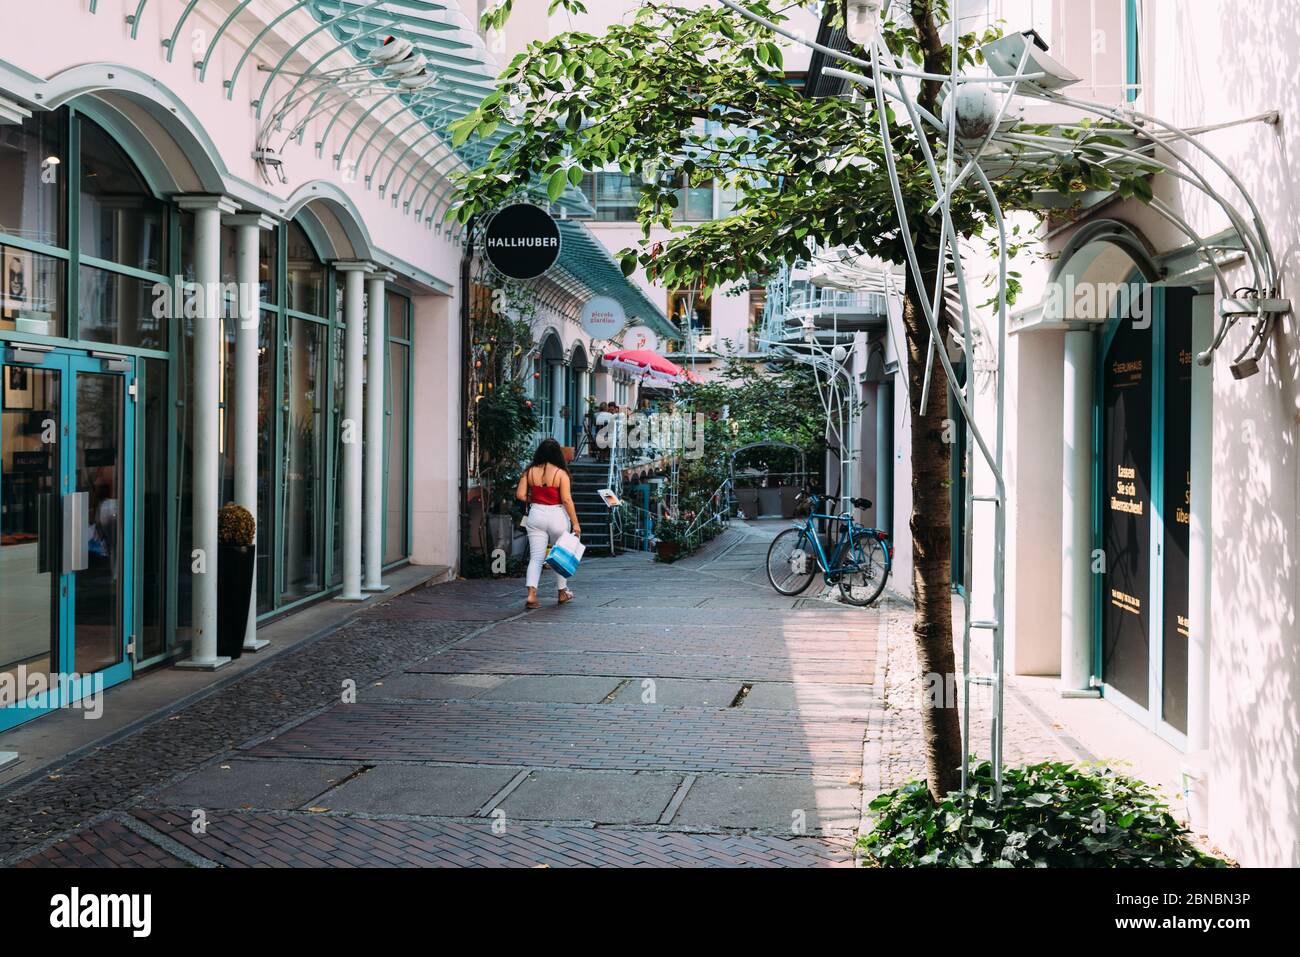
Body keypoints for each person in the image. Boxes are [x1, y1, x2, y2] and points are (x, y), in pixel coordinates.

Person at [516, 437, 582, 609]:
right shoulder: (561, 474)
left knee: (536, 558)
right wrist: (575, 523)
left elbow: (520, 495)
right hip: (557, 516)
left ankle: (531, 595)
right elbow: (567, 499)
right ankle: (562, 592)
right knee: (561, 556)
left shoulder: (529, 472)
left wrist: (536, 498)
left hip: (536, 514)